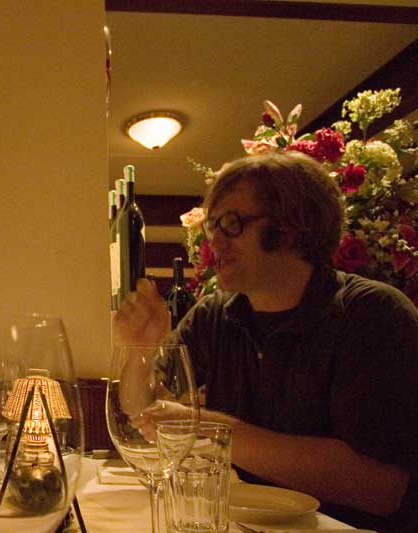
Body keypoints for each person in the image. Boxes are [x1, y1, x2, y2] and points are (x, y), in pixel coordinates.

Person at [114, 151, 418, 533]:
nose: (213, 245)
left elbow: (380, 487)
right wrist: (138, 355)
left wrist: (212, 429)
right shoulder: (215, 316)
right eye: (211, 228)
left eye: (230, 224)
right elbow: (142, 411)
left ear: (293, 226)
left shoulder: (372, 315)